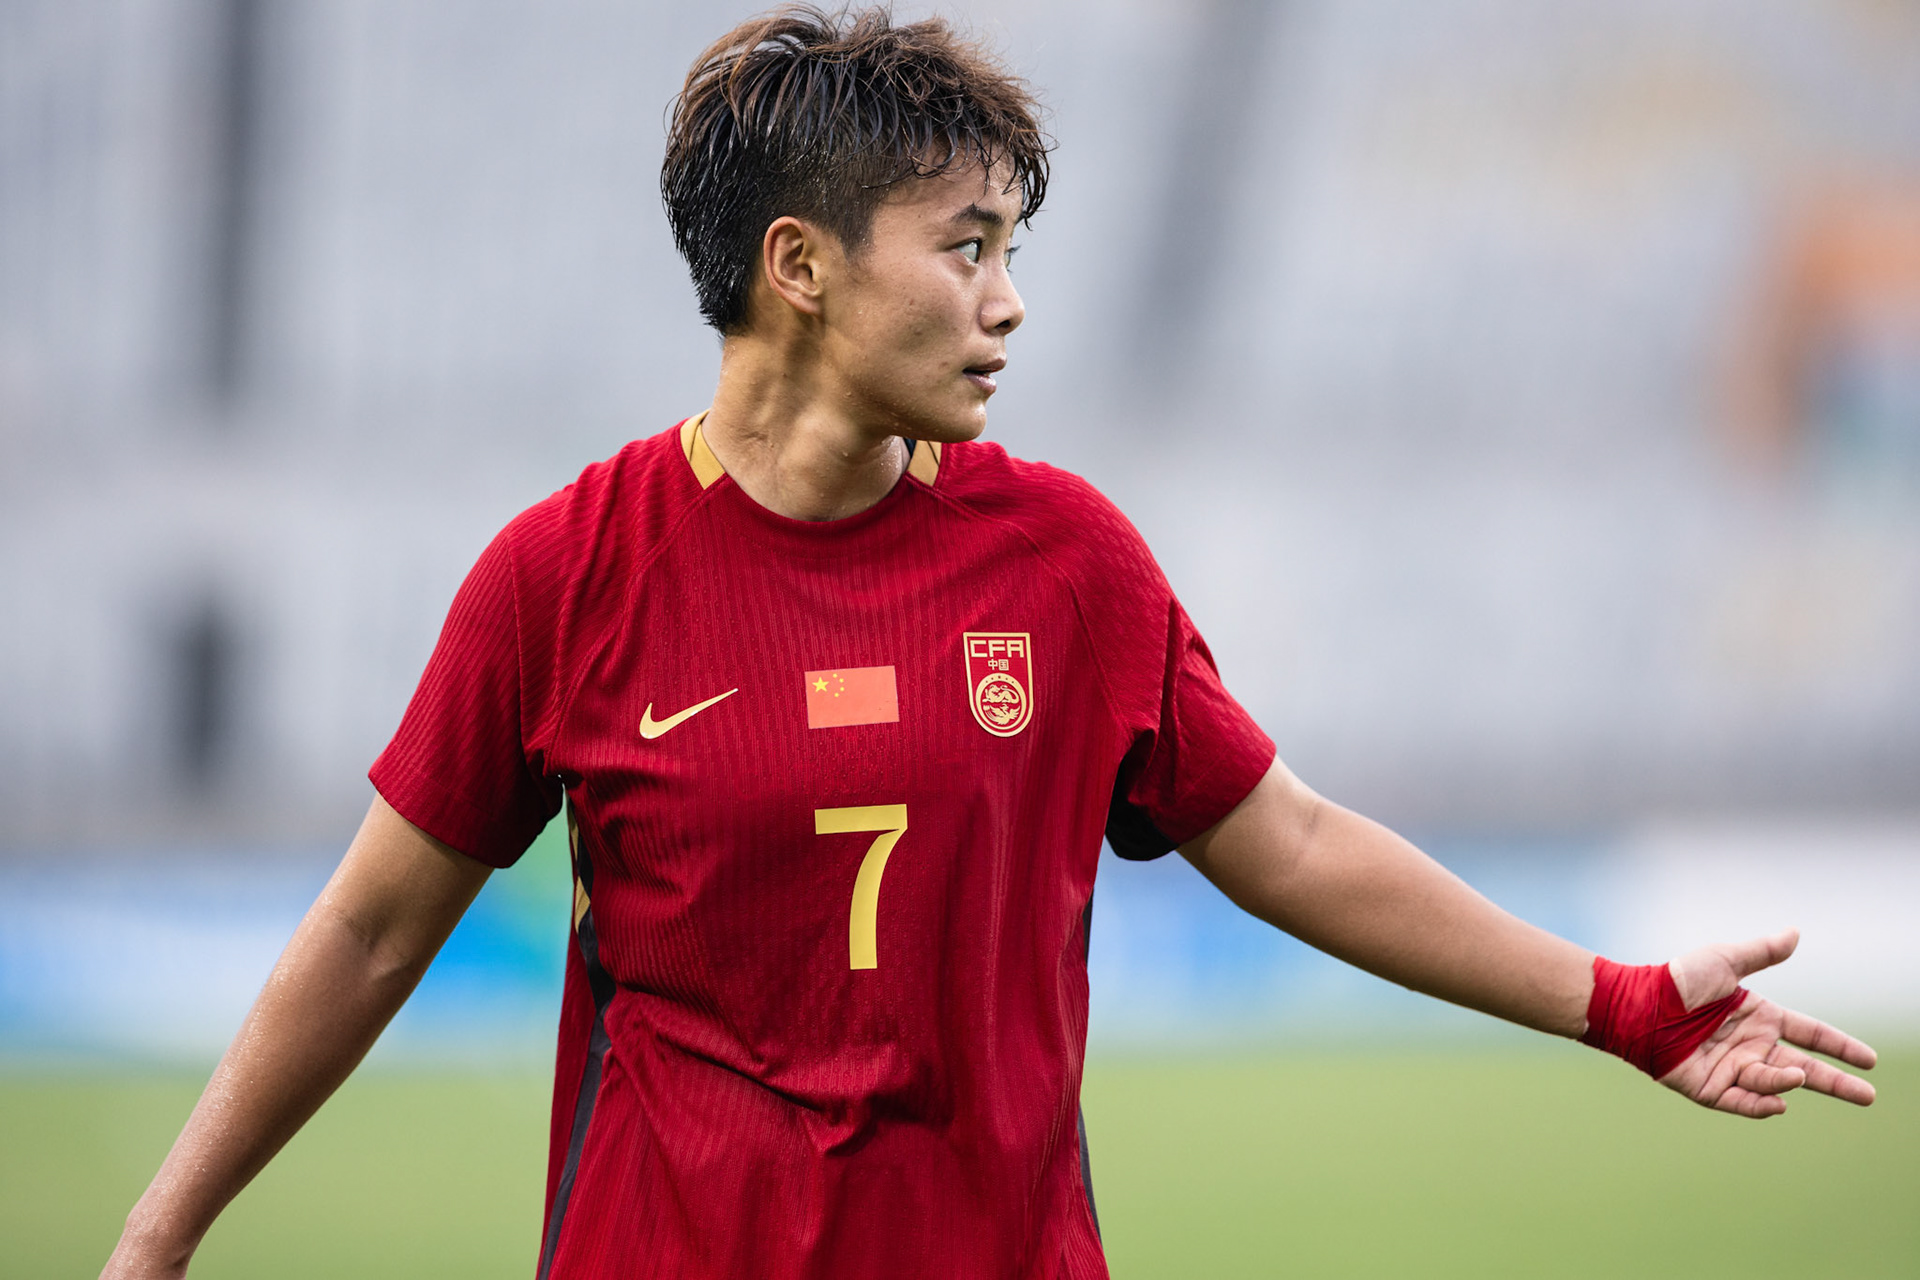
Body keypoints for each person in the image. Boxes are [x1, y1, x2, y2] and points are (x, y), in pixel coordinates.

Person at [103, 8, 1878, 1279]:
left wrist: (1622, 1005)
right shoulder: (565, 576)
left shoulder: (1066, 564)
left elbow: (1298, 844)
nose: (1010, 298)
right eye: (966, 247)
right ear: (798, 266)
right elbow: (365, 931)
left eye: (1013, 246)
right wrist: (157, 1238)